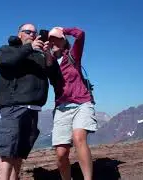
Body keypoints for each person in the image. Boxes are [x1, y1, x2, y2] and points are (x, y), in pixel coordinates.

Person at [0, 23, 55, 180]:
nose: (32, 34)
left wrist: (47, 54)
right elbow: (5, 61)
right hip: (13, 107)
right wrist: (29, 48)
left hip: (33, 109)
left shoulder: (38, 55)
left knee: (20, 153)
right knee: (8, 151)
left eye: (34, 32)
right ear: (19, 34)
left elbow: (51, 73)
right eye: (28, 32)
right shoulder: (7, 50)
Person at [47, 26, 98, 180]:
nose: (53, 41)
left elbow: (81, 34)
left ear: (64, 41)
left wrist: (63, 30)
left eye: (57, 38)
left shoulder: (72, 55)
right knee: (61, 153)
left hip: (82, 103)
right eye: (51, 39)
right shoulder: (49, 61)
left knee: (78, 138)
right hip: (62, 108)